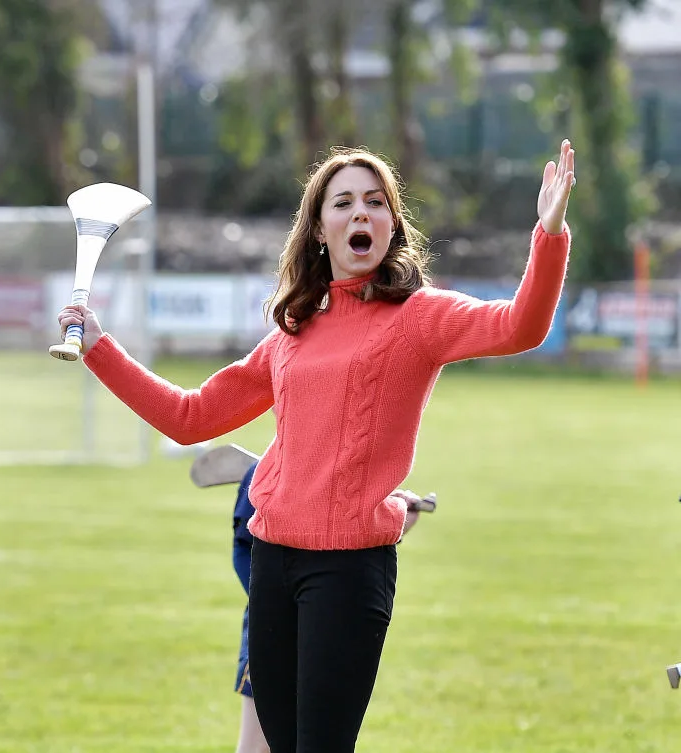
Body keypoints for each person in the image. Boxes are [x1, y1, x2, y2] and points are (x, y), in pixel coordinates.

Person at [58, 139, 574, 752]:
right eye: (345, 202)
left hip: (349, 571)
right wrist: (99, 348)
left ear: (392, 226)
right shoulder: (291, 331)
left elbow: (521, 326)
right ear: (320, 229)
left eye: (377, 203)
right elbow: (190, 418)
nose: (362, 213)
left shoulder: (420, 317)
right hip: (272, 561)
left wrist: (549, 232)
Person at [229, 461, 429, 753]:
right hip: (272, 625)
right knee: (257, 747)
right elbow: (243, 550)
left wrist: (390, 515)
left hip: (323, 621)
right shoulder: (269, 472)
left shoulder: (350, 473)